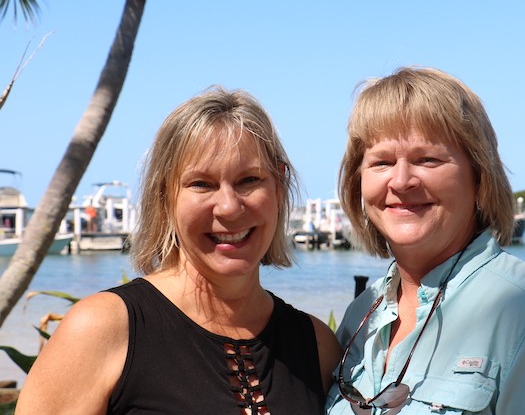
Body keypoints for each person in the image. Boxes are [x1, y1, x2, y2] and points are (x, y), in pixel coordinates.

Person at [17, 87, 342, 414]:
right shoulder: (102, 330)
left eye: (249, 180)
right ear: (165, 197)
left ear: (279, 187)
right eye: (201, 184)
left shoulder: (317, 345)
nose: (229, 207)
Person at [325, 67, 525, 414]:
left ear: (479, 176)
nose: (401, 181)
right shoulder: (362, 315)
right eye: (382, 162)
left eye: (427, 159)